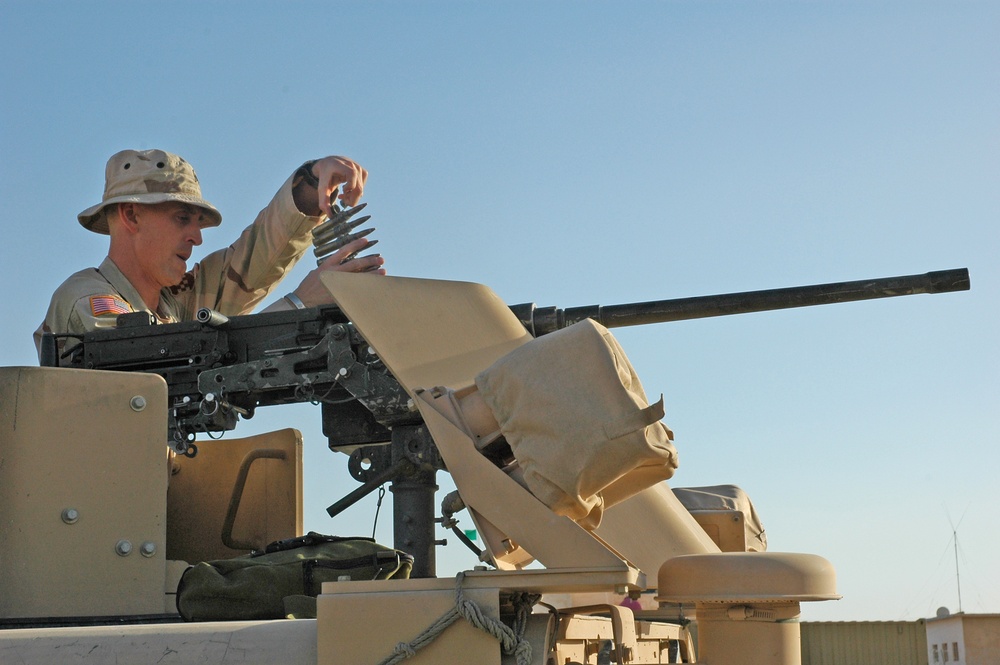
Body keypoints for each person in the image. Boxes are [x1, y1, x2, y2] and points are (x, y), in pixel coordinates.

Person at [35, 148, 384, 359]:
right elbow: (160, 369)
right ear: (131, 215)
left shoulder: (173, 303)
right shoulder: (87, 297)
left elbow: (249, 263)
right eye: (182, 218)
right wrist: (299, 305)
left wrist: (311, 185)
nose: (197, 238)